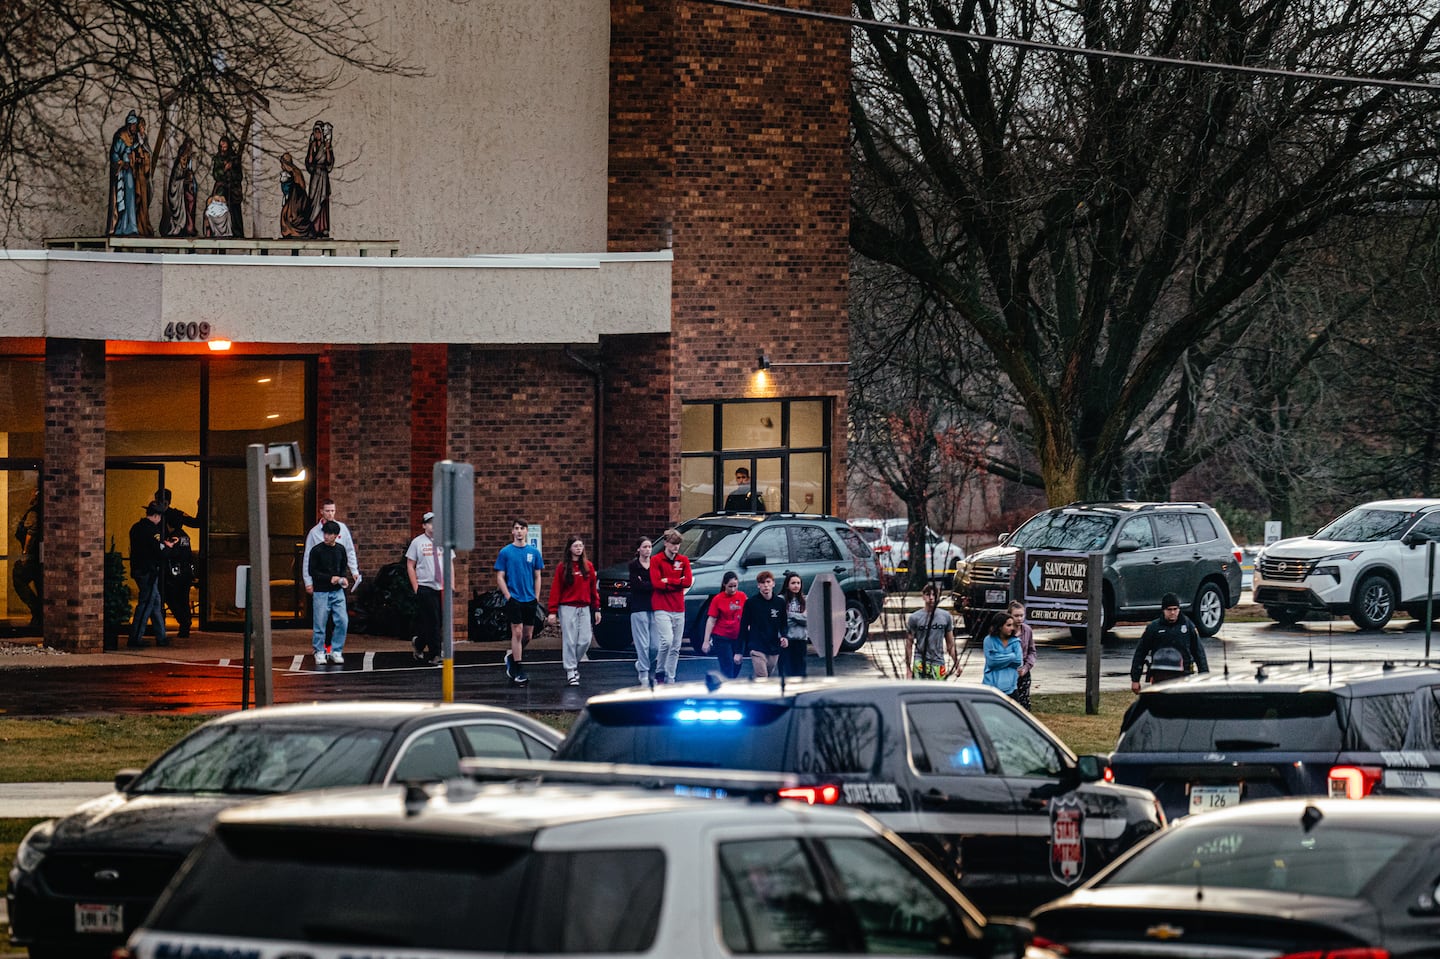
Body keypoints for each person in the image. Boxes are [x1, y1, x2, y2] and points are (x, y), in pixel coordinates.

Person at [302, 499, 361, 653]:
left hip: (337, 581)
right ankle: (323, 646)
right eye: (327, 510)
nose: (330, 513)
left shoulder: (341, 529)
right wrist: (308, 581)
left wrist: (354, 571)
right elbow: (308, 558)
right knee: (322, 619)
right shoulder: (315, 533)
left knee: (340, 617)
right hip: (321, 580)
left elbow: (349, 551)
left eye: (333, 510)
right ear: (322, 511)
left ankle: (334, 647)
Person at [546, 535, 601, 686]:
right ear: (570, 548)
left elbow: (593, 590)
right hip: (567, 607)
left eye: (580, 546)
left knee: (585, 640)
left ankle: (574, 663)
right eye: (575, 546)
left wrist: (597, 608)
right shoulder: (562, 567)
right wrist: (552, 611)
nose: (578, 548)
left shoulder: (588, 566)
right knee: (569, 640)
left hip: (584, 607)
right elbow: (556, 589)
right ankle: (570, 671)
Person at [495, 519, 544, 686]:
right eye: (516, 528)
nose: (519, 531)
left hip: (529, 598)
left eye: (522, 528)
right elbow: (500, 576)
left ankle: (512, 656)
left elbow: (537, 576)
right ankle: (518, 668)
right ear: (512, 532)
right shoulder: (505, 552)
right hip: (514, 598)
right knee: (516, 632)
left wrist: (536, 596)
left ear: (526, 531)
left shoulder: (534, 553)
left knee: (528, 635)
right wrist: (508, 595)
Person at [1130, 592, 1210, 691]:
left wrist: (1204, 677)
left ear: (1179, 609)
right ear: (1163, 610)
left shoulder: (1188, 626)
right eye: (1169, 610)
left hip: (1183, 676)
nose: (1172, 612)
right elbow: (1140, 653)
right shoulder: (1153, 628)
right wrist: (1135, 679)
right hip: (1160, 676)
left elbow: (1199, 653)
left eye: (1175, 609)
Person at [128, 501, 177, 648]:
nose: (161, 519)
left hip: (139, 569)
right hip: (148, 571)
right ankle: (135, 638)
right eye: (160, 516)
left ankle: (161, 637)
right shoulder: (152, 531)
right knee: (146, 604)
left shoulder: (136, 528)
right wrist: (169, 546)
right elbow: (160, 552)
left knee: (155, 603)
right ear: (156, 516)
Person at [153, 488, 199, 638]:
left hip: (172, 568)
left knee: (171, 597)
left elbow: (196, 523)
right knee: (179, 598)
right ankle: (184, 624)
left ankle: (182, 623)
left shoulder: (173, 516)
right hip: (178, 569)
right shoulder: (173, 520)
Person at [649, 528, 692, 683]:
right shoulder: (656, 560)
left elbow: (687, 582)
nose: (676, 547)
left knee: (676, 646)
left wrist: (670, 581)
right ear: (666, 543)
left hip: (678, 607)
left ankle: (671, 676)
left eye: (678, 544)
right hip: (661, 606)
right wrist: (677, 582)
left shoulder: (684, 560)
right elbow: (656, 583)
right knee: (667, 640)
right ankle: (660, 669)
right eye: (673, 544)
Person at [307, 521, 350, 665]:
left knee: (342, 621)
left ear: (336, 536)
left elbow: (343, 566)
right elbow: (312, 571)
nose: (326, 536)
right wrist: (329, 578)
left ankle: (336, 650)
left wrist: (343, 578)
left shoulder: (340, 549)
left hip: (337, 590)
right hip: (321, 591)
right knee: (320, 623)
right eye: (325, 533)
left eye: (329, 534)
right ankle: (319, 650)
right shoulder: (317, 550)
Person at [405, 511, 444, 664]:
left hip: (439, 587)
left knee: (434, 620)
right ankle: (436, 654)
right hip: (425, 586)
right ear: (424, 525)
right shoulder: (417, 542)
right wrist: (416, 586)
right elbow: (410, 564)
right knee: (433, 621)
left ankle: (419, 642)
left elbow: (449, 562)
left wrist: (451, 583)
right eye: (429, 523)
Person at [738, 570, 786, 678]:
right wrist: (739, 651)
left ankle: (753, 690)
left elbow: (783, 623)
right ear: (758, 585)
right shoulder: (751, 603)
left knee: (766, 678)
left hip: (773, 647)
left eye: (768, 582)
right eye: (762, 583)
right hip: (757, 646)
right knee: (763, 677)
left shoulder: (779, 603)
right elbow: (743, 627)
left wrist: (784, 636)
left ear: (773, 583)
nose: (766, 585)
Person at [906, 582, 957, 679]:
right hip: (920, 662)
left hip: (938, 661)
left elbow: (950, 644)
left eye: (934, 595)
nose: (931, 598)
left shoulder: (945, 617)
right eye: (928, 594)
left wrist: (957, 664)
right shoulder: (915, 618)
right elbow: (909, 644)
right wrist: (908, 669)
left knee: (938, 692)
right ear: (923, 596)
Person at [702, 571, 746, 678]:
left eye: (735, 586)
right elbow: (711, 620)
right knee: (727, 666)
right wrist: (706, 641)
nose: (732, 589)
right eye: (730, 586)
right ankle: (728, 688)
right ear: (724, 585)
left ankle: (731, 683)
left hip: (738, 636)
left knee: (737, 663)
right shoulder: (718, 599)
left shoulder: (742, 596)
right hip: (721, 636)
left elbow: (747, 616)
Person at [106, 111, 142, 236]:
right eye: (134, 125)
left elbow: (134, 150)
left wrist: (136, 158)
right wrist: (121, 162)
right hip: (122, 172)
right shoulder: (121, 137)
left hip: (130, 172)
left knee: (130, 199)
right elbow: (114, 154)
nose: (135, 128)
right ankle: (121, 226)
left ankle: (131, 226)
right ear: (129, 125)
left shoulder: (134, 137)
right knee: (122, 199)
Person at [628, 536, 657, 685]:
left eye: (649, 547)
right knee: (643, 643)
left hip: (655, 606)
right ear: (638, 549)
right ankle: (644, 672)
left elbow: (658, 583)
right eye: (644, 547)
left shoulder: (656, 565)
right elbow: (637, 585)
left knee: (655, 646)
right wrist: (652, 584)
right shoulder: (633, 566)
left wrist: (649, 584)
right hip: (639, 607)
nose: (647, 550)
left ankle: (642, 663)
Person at [13, 490, 42, 628]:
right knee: (40, 585)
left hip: (33, 557)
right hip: (39, 558)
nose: (30, 495)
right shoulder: (41, 511)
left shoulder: (34, 513)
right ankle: (40, 615)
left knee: (18, 577)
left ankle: (37, 610)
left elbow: (30, 535)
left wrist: (25, 553)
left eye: (33, 494)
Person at [160, 136, 198, 237]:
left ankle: (188, 226)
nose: (185, 160)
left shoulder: (187, 164)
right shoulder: (178, 166)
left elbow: (189, 177)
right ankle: (179, 226)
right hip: (177, 192)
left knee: (190, 203)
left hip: (184, 192)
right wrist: (185, 180)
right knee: (181, 211)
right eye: (184, 157)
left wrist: (191, 182)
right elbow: (175, 180)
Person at [211, 133, 245, 237]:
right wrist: (224, 169)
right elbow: (216, 174)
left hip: (233, 189)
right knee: (221, 210)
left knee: (235, 212)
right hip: (222, 189)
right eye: (221, 146)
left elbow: (239, 176)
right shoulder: (217, 159)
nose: (223, 149)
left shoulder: (234, 159)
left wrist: (232, 169)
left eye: (225, 146)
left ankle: (237, 233)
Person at [981, 611, 1023, 696]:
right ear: (1000, 627)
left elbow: (1018, 661)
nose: (1012, 628)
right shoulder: (989, 640)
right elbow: (992, 662)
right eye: (1008, 625)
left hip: (1011, 688)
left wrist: (999, 659)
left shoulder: (1015, 641)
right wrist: (1011, 656)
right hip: (991, 687)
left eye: (1012, 625)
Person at [305, 121, 334, 238]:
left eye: (319, 132)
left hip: (323, 177)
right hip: (314, 177)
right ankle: (312, 227)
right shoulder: (312, 146)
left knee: (322, 202)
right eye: (315, 132)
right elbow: (309, 162)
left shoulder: (326, 146)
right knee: (312, 199)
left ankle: (322, 228)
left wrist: (327, 149)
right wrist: (311, 148)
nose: (317, 134)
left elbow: (329, 163)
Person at [780, 571, 809, 678]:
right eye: (793, 583)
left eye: (798, 583)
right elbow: (782, 620)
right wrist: (799, 617)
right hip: (787, 640)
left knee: (801, 672)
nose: (796, 585)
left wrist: (790, 615)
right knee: (788, 671)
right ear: (787, 585)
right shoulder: (781, 600)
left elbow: (807, 619)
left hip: (801, 639)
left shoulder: (805, 600)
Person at [1009, 600, 1037, 708]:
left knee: (1024, 703)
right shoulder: (1006, 630)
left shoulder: (1027, 630)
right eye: (1016, 616)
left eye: (1021, 615)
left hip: (1023, 671)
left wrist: (1026, 667)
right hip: (1010, 671)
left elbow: (1032, 651)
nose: (1019, 618)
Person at [278, 152, 311, 238]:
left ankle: (295, 231)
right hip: (292, 198)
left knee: (291, 215)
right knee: (286, 214)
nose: (282, 167)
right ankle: (289, 232)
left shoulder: (296, 172)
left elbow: (301, 186)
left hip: (298, 199)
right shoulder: (289, 172)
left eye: (283, 164)